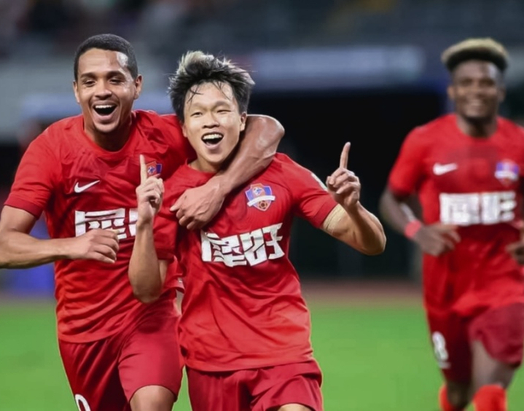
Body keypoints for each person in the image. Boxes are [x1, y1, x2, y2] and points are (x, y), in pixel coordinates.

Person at [0, 34, 285, 411]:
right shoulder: (51, 151)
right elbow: (3, 247)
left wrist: (219, 187)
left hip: (151, 315)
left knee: (151, 404)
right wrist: (71, 245)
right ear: (77, 91)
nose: (103, 90)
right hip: (84, 330)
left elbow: (267, 128)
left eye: (115, 79)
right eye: (90, 81)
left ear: (137, 86)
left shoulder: (166, 137)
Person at [129, 51, 386, 411]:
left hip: (284, 354)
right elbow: (146, 290)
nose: (210, 121)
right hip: (211, 362)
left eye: (221, 110)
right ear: (185, 128)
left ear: (242, 120)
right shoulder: (172, 194)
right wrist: (144, 223)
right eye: (198, 114)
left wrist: (354, 208)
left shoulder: (283, 173)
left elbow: (372, 243)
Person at [378, 38, 524, 411]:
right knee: (458, 392)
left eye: (486, 83)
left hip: (503, 281)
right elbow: (391, 198)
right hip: (445, 285)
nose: (476, 91)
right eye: (467, 83)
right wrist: (417, 231)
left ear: (500, 91)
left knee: (489, 392)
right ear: (453, 91)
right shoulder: (424, 141)